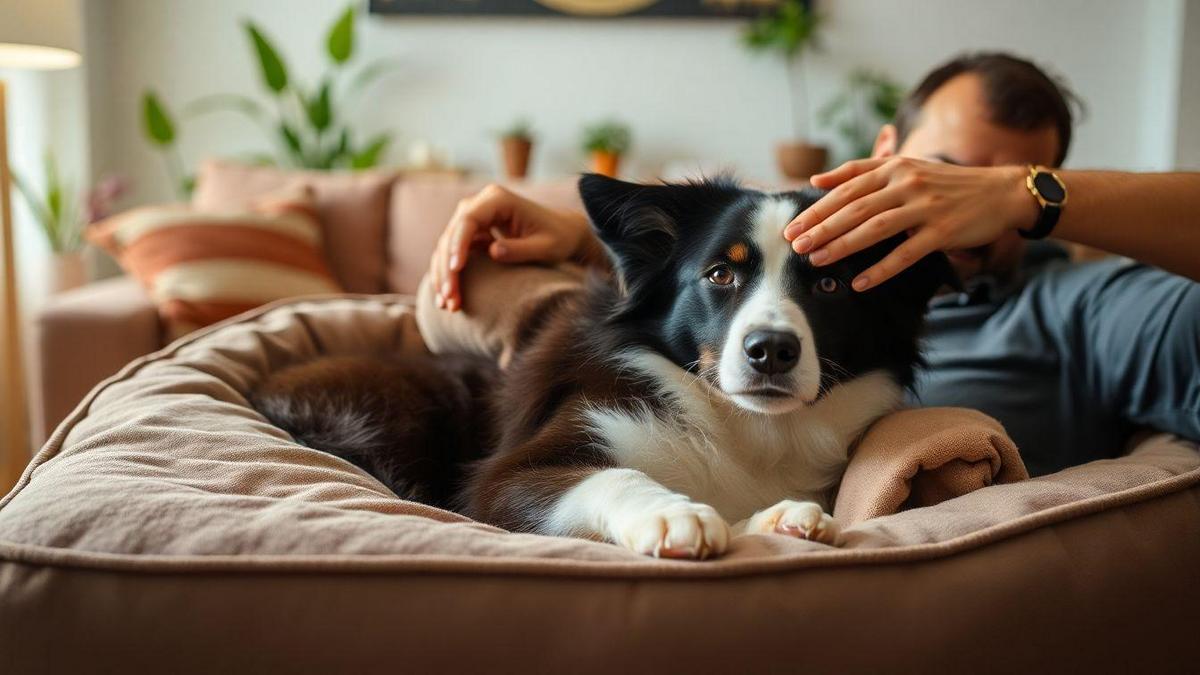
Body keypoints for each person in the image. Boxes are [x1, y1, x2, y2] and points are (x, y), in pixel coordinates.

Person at [427, 52, 1200, 476]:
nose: (955, 202)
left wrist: (1026, 196)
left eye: (997, 186)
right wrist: (580, 235)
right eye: (945, 170)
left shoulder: (1084, 302)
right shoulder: (796, 245)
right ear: (887, 156)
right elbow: (742, 246)